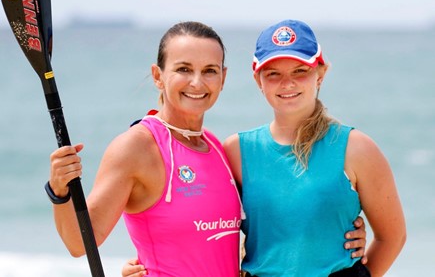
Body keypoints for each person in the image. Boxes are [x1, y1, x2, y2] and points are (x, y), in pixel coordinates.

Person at [47, 21, 367, 277]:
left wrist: (335, 230)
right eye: (184, 69)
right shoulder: (137, 146)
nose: (197, 83)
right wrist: (59, 190)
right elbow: (80, 242)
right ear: (159, 76)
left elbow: (256, 229)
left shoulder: (217, 148)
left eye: (209, 70)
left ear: (223, 78)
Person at [222, 19, 406, 276]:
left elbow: (391, 237)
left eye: (300, 71)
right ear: (258, 79)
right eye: (273, 73)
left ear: (320, 74)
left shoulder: (356, 148)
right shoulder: (236, 151)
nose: (288, 83)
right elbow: (205, 226)